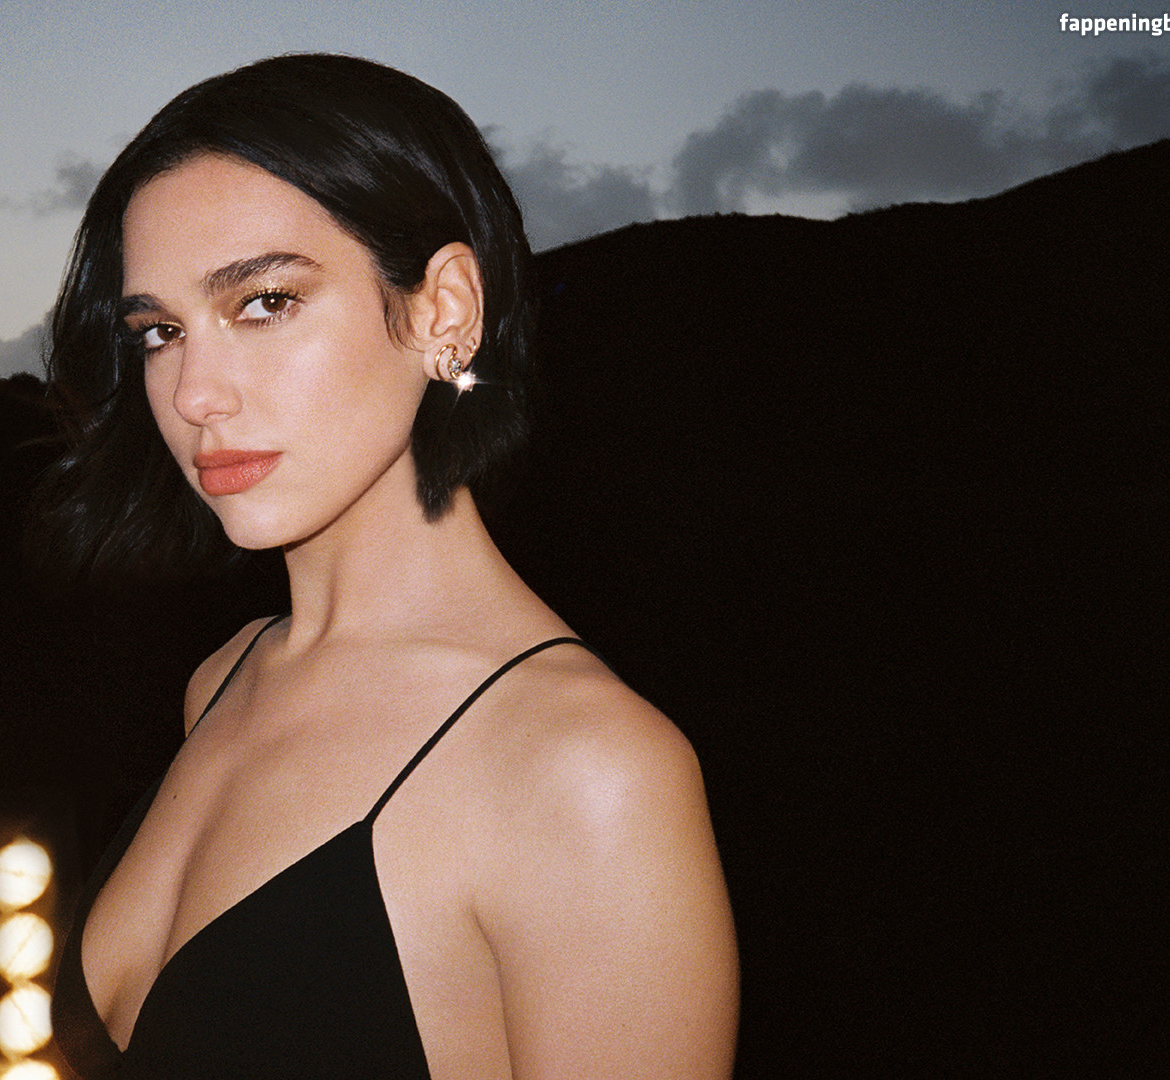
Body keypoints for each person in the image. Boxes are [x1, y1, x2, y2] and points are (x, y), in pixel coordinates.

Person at [38, 54, 737, 1079]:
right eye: (159, 331)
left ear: (444, 310)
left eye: (264, 302)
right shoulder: (225, 680)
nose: (193, 394)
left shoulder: (585, 771)